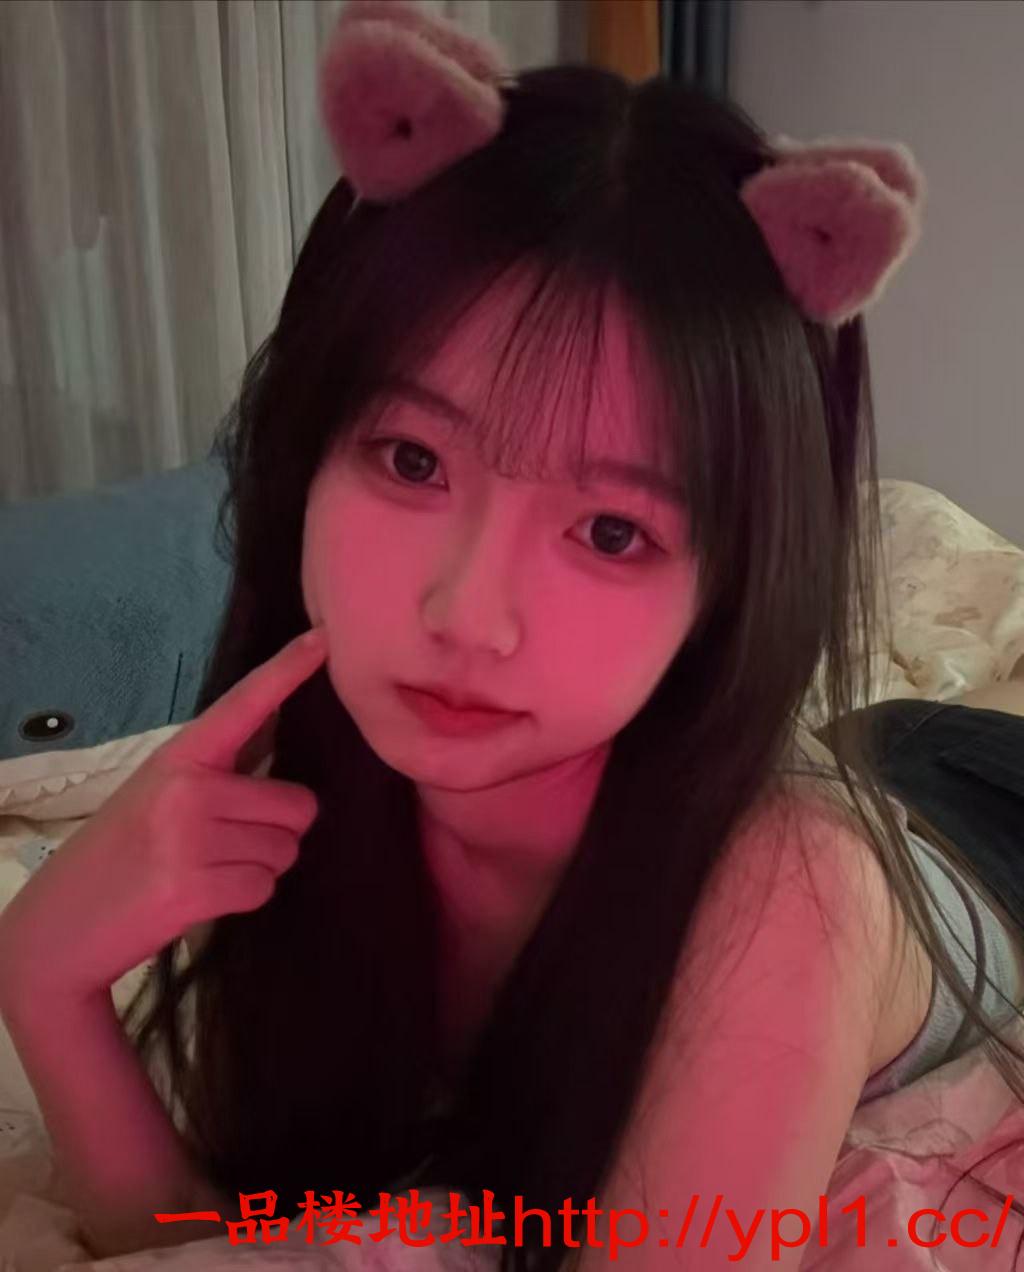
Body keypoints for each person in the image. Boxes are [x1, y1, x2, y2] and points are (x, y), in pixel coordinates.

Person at [1, 2, 1023, 1267]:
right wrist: (43, 978)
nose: (465, 616)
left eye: (611, 531)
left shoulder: (787, 894)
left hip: (981, 818)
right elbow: (207, 1244)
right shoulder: (294, 794)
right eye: (410, 459)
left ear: (732, 581)